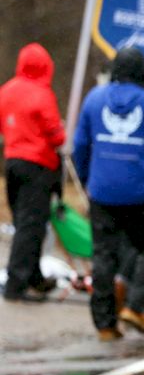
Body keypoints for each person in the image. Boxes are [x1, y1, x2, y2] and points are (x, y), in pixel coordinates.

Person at [73, 47, 144, 341]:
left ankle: (105, 324)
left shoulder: (94, 98)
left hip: (102, 191)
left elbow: (80, 145)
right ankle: (135, 305)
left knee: (103, 254)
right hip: (139, 192)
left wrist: (86, 179)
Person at [0, 43, 65, 302]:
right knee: (31, 226)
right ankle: (17, 284)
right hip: (37, 167)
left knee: (24, 222)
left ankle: (34, 277)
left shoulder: (6, 90)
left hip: (12, 163)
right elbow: (56, 134)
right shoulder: (41, 93)